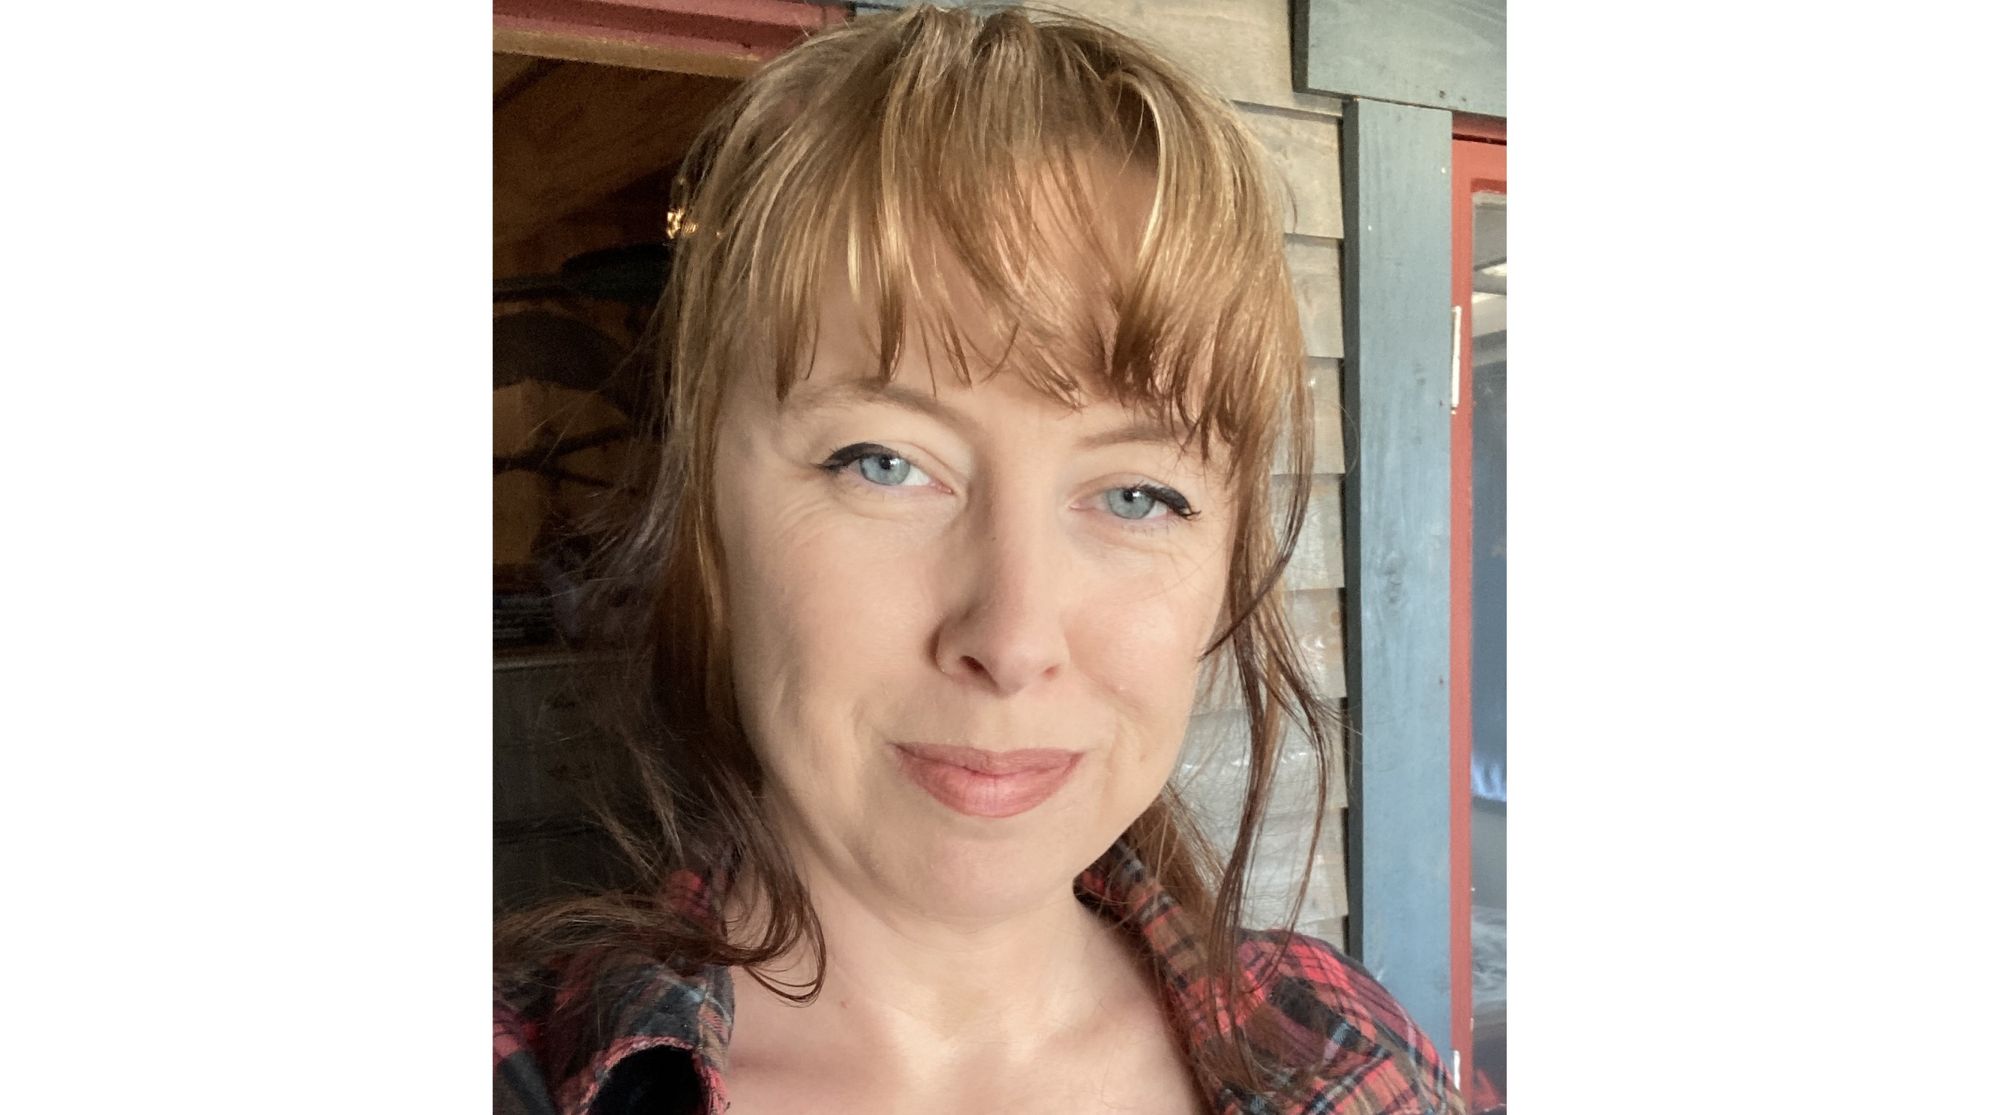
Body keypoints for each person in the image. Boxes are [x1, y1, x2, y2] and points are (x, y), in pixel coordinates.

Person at [494, 5, 1466, 1114]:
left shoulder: (1344, 1047)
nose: (1011, 638)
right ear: (707, 513)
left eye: (1137, 494)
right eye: (883, 463)